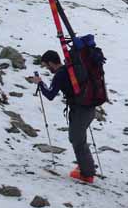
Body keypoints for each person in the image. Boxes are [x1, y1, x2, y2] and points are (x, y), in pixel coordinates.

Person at [31, 50, 96, 183]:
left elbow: (50, 94)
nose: (47, 69)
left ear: (50, 63)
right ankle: (84, 165)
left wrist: (40, 83)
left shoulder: (60, 74)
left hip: (81, 110)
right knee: (79, 138)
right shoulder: (69, 69)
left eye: (46, 65)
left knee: (76, 139)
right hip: (88, 107)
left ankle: (87, 174)